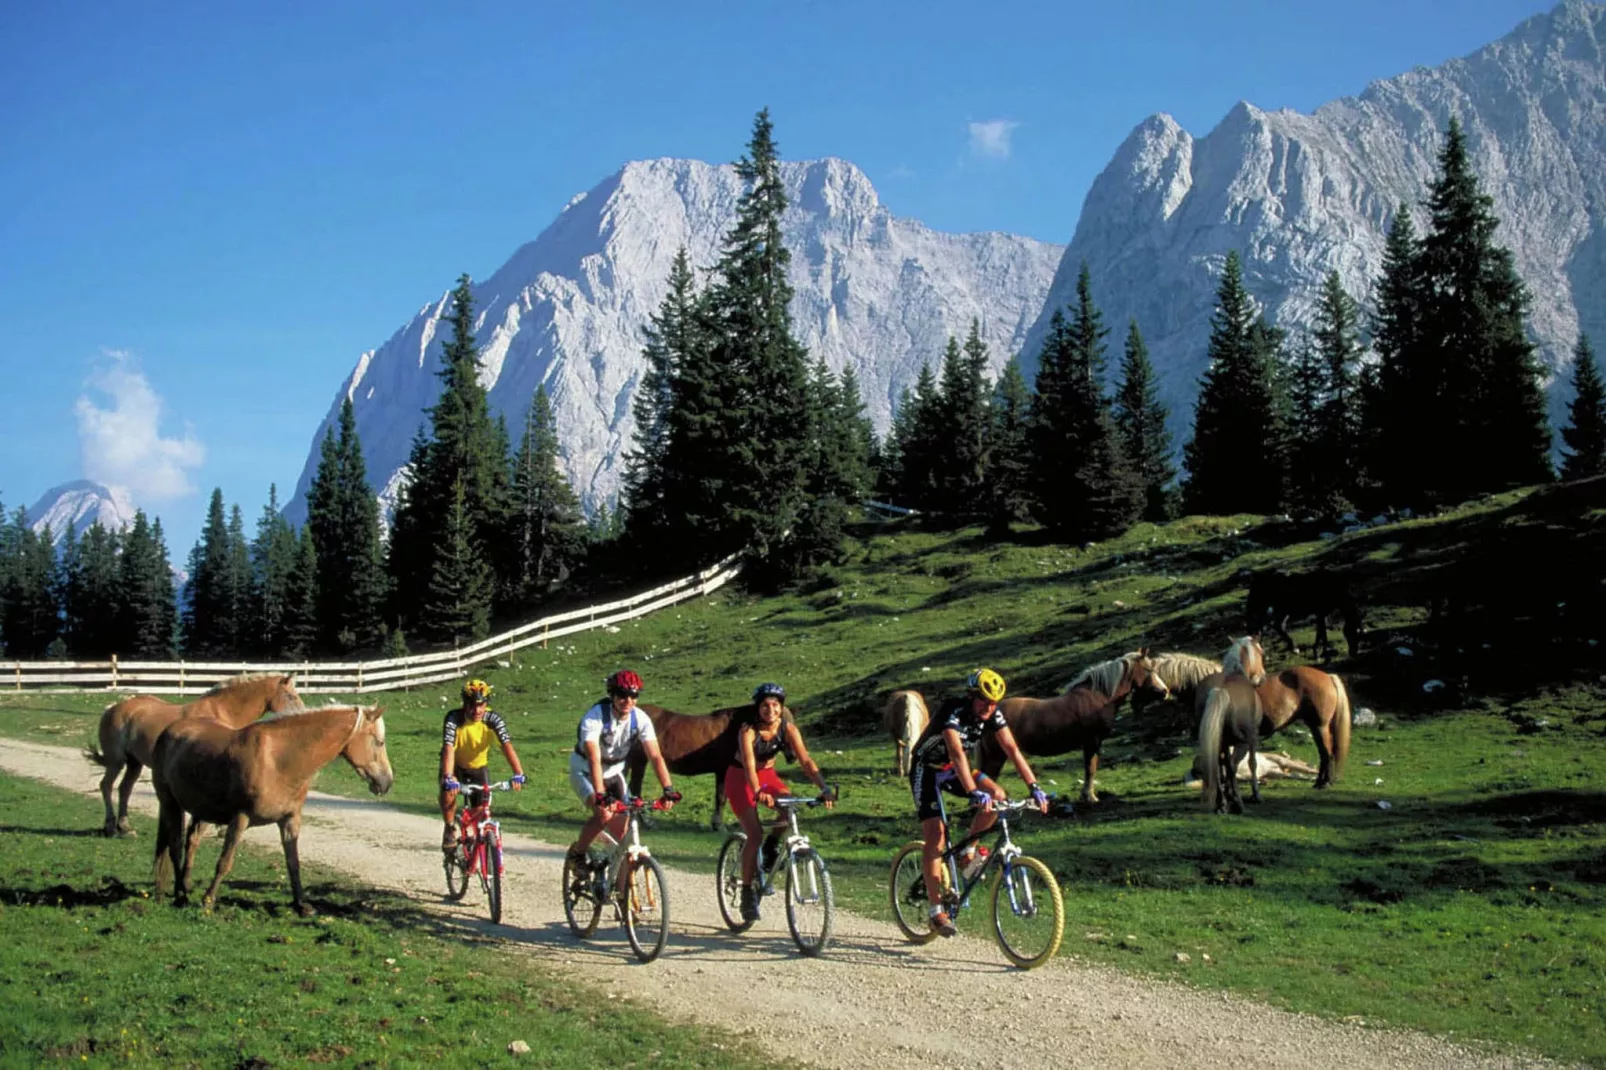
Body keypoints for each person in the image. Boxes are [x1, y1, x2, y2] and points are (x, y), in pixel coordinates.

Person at [907, 668, 1048, 937]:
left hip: (951, 770)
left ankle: (966, 850)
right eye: (984, 700)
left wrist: (1034, 786)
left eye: (994, 702)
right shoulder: (953, 711)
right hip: (927, 770)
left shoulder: (993, 714)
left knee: (999, 795)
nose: (989, 707)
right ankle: (936, 911)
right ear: (971, 696)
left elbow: (1012, 749)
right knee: (935, 835)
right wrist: (972, 791)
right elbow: (957, 753)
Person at [726, 682, 835, 922]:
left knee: (788, 811)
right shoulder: (748, 731)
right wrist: (757, 791)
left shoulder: (788, 729)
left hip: (768, 776)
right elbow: (749, 765)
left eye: (775, 705)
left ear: (781, 707)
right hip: (740, 777)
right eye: (765, 705)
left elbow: (806, 761)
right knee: (753, 834)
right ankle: (746, 893)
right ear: (758, 708)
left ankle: (772, 845)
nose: (771, 710)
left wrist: (824, 788)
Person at [565, 670, 679, 869]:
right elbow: (594, 758)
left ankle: (621, 892)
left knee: (626, 835)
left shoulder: (641, 719)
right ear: (612, 696)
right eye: (622, 695)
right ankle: (578, 853)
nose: (628, 700)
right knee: (604, 814)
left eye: (633, 695)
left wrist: (668, 789)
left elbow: (655, 756)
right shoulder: (595, 717)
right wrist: (600, 794)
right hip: (585, 771)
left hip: (613, 773)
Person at [440, 678, 526, 849]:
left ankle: (480, 850)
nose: (477, 710)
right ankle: (449, 827)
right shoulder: (453, 719)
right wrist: (449, 777)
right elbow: (448, 749)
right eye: (471, 705)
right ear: (464, 703)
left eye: (481, 705)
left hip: (478, 768)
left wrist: (519, 774)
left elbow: (506, 745)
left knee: (481, 812)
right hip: (455, 766)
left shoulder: (492, 719)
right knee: (448, 795)